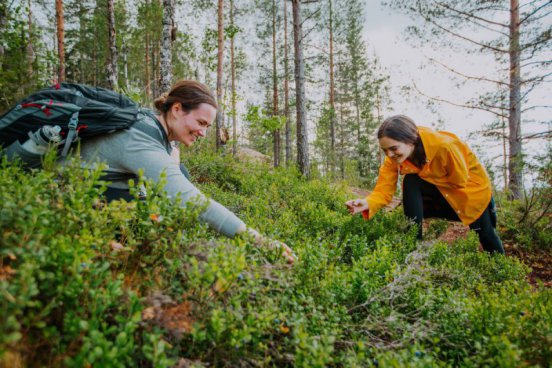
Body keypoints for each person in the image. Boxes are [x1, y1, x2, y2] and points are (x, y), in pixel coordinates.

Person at [69, 80, 295, 263]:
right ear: (177, 109)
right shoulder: (141, 140)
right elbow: (192, 201)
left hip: (92, 194)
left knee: (180, 174)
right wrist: (260, 241)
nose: (203, 133)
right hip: (68, 201)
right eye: (201, 122)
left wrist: (173, 160)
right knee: (176, 191)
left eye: (207, 126)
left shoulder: (150, 123)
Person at [345, 115, 504, 254]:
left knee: (486, 234)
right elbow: (383, 190)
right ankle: (413, 245)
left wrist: (425, 172)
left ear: (411, 140)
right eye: (385, 150)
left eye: (393, 148)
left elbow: (460, 180)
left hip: (470, 195)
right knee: (411, 181)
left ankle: (502, 273)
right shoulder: (394, 158)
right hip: (442, 197)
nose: (389, 155)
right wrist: (366, 203)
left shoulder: (445, 146)